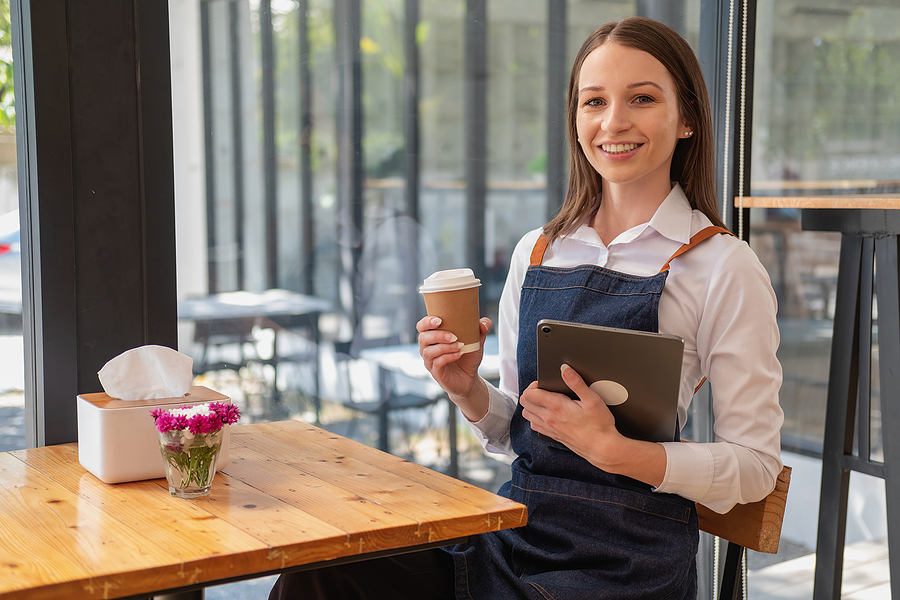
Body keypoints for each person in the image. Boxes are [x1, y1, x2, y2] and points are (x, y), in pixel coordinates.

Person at [269, 15, 783, 600]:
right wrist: (467, 389)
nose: (614, 122)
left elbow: (756, 466)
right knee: (320, 577)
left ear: (686, 117)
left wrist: (617, 451)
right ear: (576, 118)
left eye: (641, 98)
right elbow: (523, 429)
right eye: (594, 102)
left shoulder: (721, 265)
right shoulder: (538, 251)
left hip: (628, 566)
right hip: (515, 535)